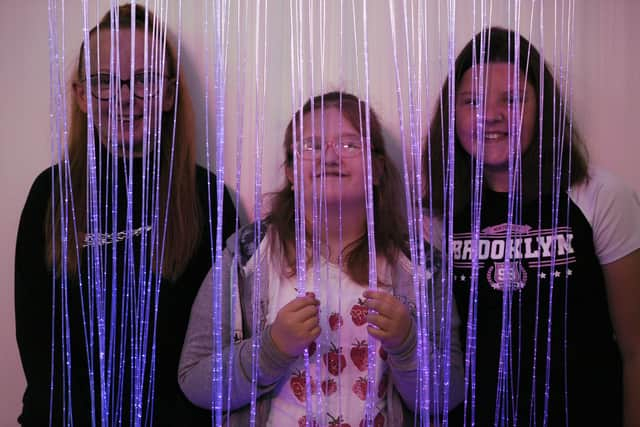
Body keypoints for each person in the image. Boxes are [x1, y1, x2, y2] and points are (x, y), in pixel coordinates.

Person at [179, 92, 461, 426]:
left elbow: (449, 396)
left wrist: (407, 346)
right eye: (310, 146)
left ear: (377, 169)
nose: (329, 157)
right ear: (291, 173)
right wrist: (271, 350)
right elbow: (195, 381)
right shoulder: (247, 254)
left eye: (349, 145)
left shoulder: (419, 265)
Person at [14, 4, 236, 426]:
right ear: (81, 95)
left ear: (170, 93)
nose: (124, 96)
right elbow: (38, 344)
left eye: (145, 80)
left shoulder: (209, 198)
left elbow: (218, 347)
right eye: (103, 81)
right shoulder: (50, 194)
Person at [423, 27, 640, 426]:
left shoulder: (599, 195)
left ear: (543, 109)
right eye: (472, 101)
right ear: (452, 114)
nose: (490, 115)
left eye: (513, 99)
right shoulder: (435, 215)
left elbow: (635, 347)